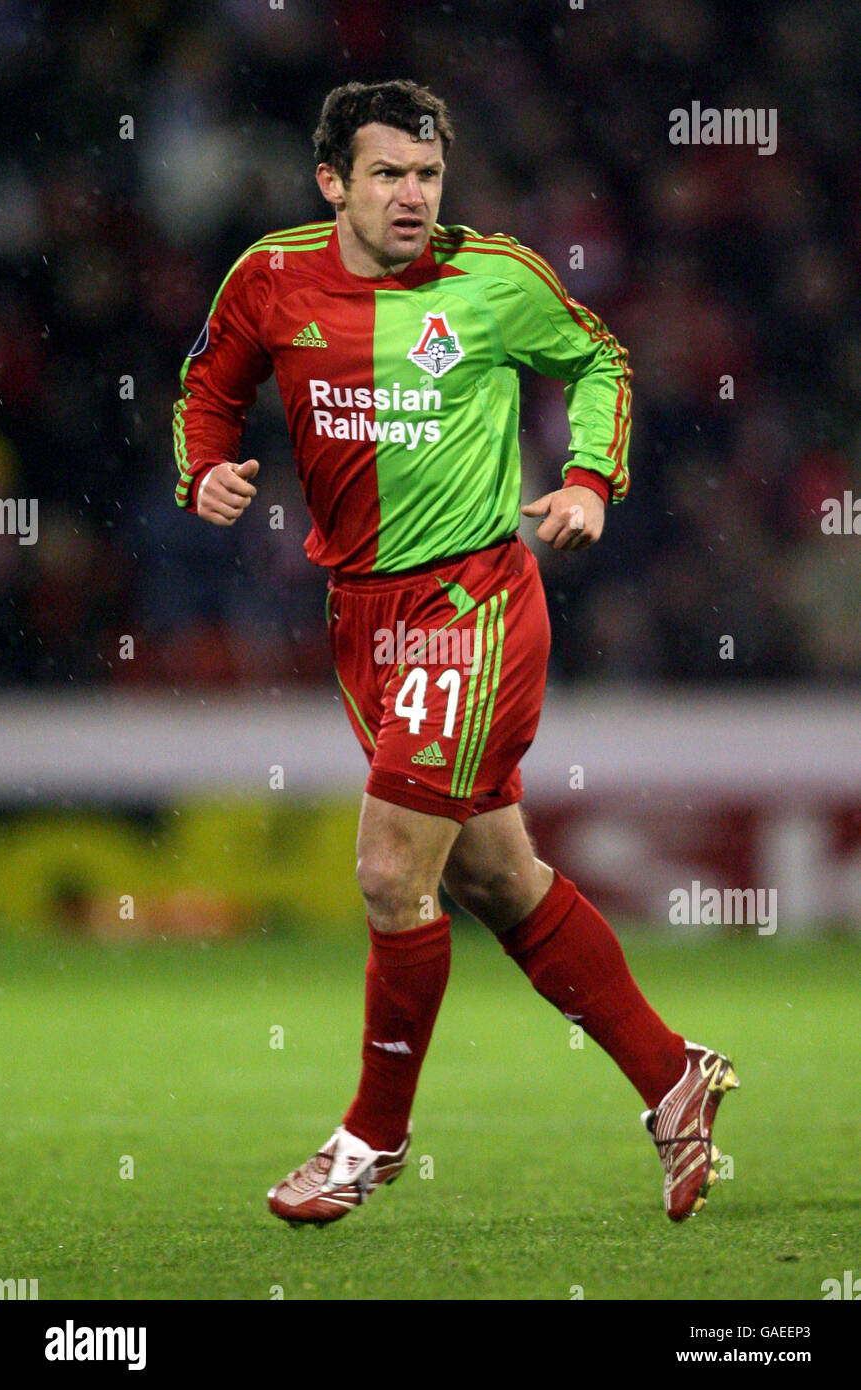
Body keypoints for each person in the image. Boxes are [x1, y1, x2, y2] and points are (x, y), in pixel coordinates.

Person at [173, 79, 738, 1226]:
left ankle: (369, 1139)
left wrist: (587, 480)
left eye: (426, 175)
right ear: (331, 181)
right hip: (360, 622)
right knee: (490, 874)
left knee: (389, 871)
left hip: (471, 603)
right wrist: (206, 468)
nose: (412, 196)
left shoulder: (495, 280)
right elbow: (207, 388)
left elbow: (600, 362)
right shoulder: (269, 278)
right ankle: (670, 1074)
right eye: (386, 174)